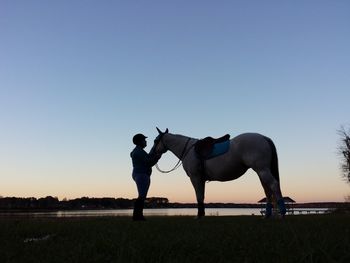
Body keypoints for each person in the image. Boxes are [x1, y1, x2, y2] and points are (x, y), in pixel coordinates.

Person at [130, 133, 160, 221]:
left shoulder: (139, 151)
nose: (145, 141)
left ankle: (138, 216)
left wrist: (155, 147)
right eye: (144, 140)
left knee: (142, 196)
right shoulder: (138, 152)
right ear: (140, 142)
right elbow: (148, 162)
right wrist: (157, 158)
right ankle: (137, 217)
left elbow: (149, 156)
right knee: (142, 196)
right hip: (141, 174)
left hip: (141, 174)